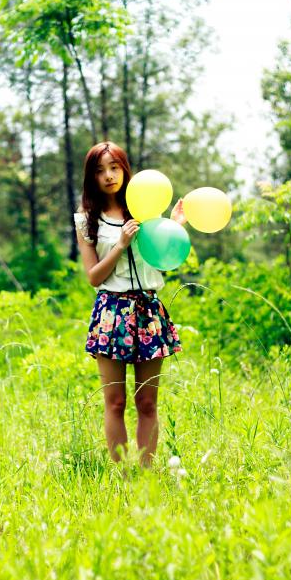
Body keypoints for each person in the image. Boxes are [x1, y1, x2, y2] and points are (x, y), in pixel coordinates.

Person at [74, 141, 187, 468]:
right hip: (112, 312)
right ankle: (124, 477)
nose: (108, 176)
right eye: (100, 171)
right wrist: (120, 245)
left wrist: (175, 227)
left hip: (148, 310)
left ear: (125, 170)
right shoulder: (87, 220)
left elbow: (161, 262)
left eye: (114, 167)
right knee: (115, 401)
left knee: (148, 402)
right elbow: (94, 277)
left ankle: (146, 476)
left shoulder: (146, 211)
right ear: (91, 177)